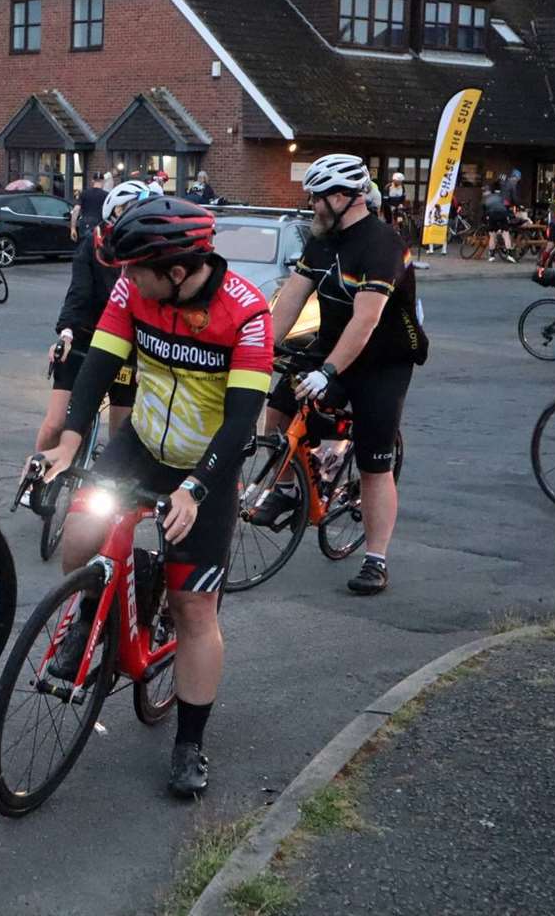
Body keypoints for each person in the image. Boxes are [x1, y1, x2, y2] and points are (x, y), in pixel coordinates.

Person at [36, 195, 272, 797]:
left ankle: (190, 742)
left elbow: (243, 418)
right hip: (140, 443)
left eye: (135, 270)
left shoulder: (246, 313)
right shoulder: (132, 290)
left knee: (194, 609)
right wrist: (67, 443)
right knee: (84, 530)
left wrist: (196, 488)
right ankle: (90, 613)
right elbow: (98, 364)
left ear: (175, 271)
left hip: (207, 464)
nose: (125, 280)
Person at [259, 154, 427, 596]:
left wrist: (330, 370)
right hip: (332, 344)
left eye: (316, 197)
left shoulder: (383, 245)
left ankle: (376, 559)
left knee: (374, 462)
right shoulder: (322, 240)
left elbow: (366, 321)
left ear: (342, 197)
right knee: (279, 408)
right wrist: (259, 350)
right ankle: (291, 487)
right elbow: (291, 301)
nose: (311, 204)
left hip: (383, 358)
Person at [37, 180, 147, 455]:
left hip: (127, 346)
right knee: (55, 424)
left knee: (121, 435)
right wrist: (66, 334)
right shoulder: (92, 245)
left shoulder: (149, 252)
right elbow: (78, 293)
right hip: (86, 335)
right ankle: (33, 481)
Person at [70, 171, 109, 242]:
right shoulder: (106, 195)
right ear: (103, 181)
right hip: (99, 225)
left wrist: (73, 228)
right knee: (98, 248)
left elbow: (76, 210)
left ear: (92, 181)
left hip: (85, 224)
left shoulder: (84, 193)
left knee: (84, 247)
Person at [483, 184, 517, 262]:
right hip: (502, 214)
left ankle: (492, 256)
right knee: (506, 234)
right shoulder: (502, 197)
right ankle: (509, 254)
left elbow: (485, 211)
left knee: (492, 236)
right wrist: (511, 215)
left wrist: (486, 219)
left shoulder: (487, 199)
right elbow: (507, 206)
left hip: (492, 215)